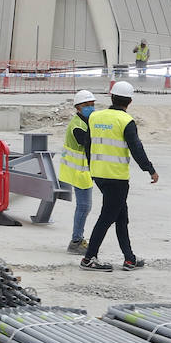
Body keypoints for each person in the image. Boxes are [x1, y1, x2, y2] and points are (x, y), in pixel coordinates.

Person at [81, 81, 159, 272]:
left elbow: (88, 144)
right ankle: (89, 258)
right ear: (130, 101)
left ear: (111, 96)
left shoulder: (95, 117)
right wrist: (150, 169)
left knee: (121, 216)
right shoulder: (126, 121)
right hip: (117, 177)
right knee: (107, 217)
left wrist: (92, 168)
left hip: (98, 174)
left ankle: (129, 259)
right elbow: (136, 148)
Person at [59, 90, 97, 255]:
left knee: (84, 207)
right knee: (84, 206)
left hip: (83, 170)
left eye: (92, 104)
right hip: (78, 171)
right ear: (78, 107)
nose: (90, 107)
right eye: (86, 105)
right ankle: (76, 241)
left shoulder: (86, 121)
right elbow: (88, 143)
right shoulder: (77, 125)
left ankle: (77, 239)